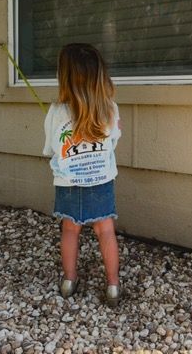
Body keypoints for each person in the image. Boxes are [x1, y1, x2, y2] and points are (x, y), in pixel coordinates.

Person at [43, 43, 122, 307]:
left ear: (63, 76)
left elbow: (51, 148)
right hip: (101, 180)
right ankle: (112, 286)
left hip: (68, 181)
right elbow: (113, 141)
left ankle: (69, 281)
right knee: (106, 231)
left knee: (70, 230)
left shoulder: (56, 112)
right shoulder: (110, 108)